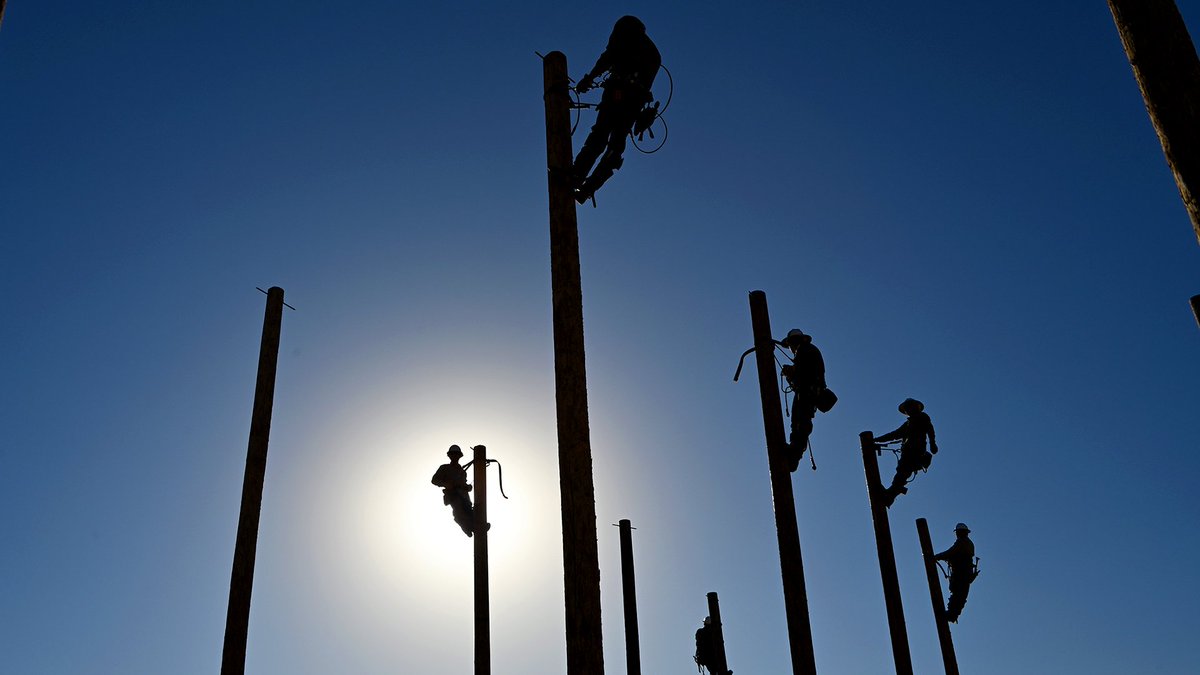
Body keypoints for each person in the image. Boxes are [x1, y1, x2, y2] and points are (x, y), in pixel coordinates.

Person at [572, 15, 661, 204]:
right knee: (616, 146)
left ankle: (575, 175)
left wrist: (589, 79)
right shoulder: (653, 54)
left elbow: (608, 56)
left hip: (619, 94)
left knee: (600, 135)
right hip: (634, 104)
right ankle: (588, 188)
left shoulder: (626, 32)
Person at [874, 398, 937, 507]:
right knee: (901, 473)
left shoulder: (923, 418)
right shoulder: (908, 424)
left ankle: (889, 496)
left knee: (902, 473)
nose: (907, 411)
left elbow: (930, 430)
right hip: (908, 452)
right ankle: (890, 495)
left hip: (915, 452)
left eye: (909, 408)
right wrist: (877, 440)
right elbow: (895, 434)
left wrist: (933, 444)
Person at [780, 328, 827, 472]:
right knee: (799, 421)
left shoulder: (805, 350)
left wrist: (792, 371)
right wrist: (791, 375)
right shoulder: (807, 350)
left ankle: (794, 454)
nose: (790, 348)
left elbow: (804, 372)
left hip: (808, 391)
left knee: (800, 422)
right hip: (807, 391)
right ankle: (794, 452)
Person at [935, 522, 978, 623]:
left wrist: (936, 557)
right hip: (965, 574)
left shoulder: (962, 542)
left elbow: (951, 552)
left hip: (961, 573)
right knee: (959, 595)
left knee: (958, 595)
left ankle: (951, 614)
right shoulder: (967, 543)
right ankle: (952, 614)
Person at [431, 445, 475, 537]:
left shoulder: (462, 472)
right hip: (453, 495)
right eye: (453, 454)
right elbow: (434, 480)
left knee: (470, 513)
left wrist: (467, 487)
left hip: (464, 497)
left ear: (459, 456)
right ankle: (469, 528)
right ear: (449, 456)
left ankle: (475, 528)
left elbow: (463, 484)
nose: (455, 456)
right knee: (459, 513)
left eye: (456, 454)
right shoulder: (444, 468)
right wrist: (446, 484)